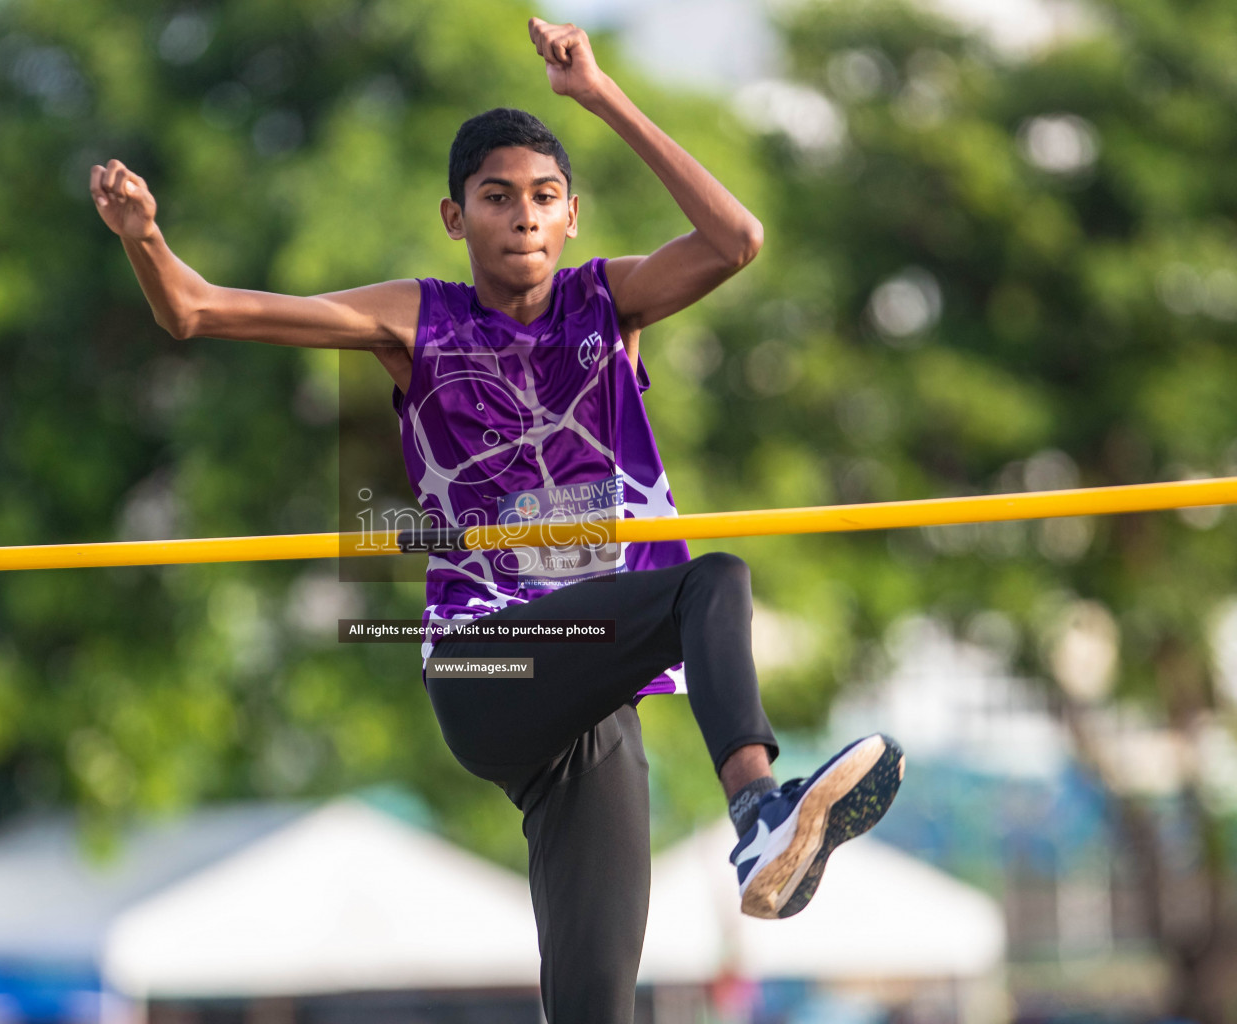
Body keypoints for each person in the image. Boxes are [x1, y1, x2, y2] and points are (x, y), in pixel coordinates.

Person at [91, 17, 904, 1023]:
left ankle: (760, 823)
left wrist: (600, 96)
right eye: (496, 197)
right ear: (454, 215)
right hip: (485, 665)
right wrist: (148, 239)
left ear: (571, 217)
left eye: (544, 197)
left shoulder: (610, 303)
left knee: (597, 1002)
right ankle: (757, 806)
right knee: (715, 580)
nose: (522, 216)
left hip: (589, 701)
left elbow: (737, 240)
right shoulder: (414, 318)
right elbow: (197, 312)